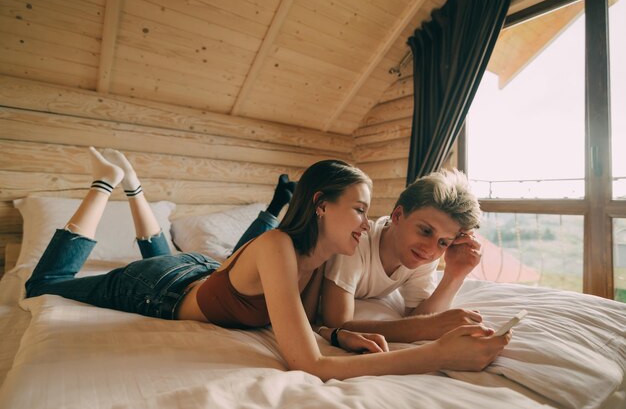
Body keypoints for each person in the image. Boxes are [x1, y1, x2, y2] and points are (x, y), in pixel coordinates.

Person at [25, 147, 510, 381]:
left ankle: (134, 187)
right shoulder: (279, 247)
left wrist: (339, 333)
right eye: (360, 209)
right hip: (157, 289)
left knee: (180, 257)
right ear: (321, 205)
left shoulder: (320, 257)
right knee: (44, 286)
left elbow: (313, 325)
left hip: (198, 270)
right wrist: (437, 353)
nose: (368, 222)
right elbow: (308, 364)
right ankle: (107, 185)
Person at [321, 169, 486, 343]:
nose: (430, 249)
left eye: (444, 242)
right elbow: (337, 324)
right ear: (398, 215)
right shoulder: (355, 242)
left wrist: (455, 275)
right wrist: (426, 328)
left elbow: (418, 315)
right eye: (425, 231)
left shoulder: (423, 255)